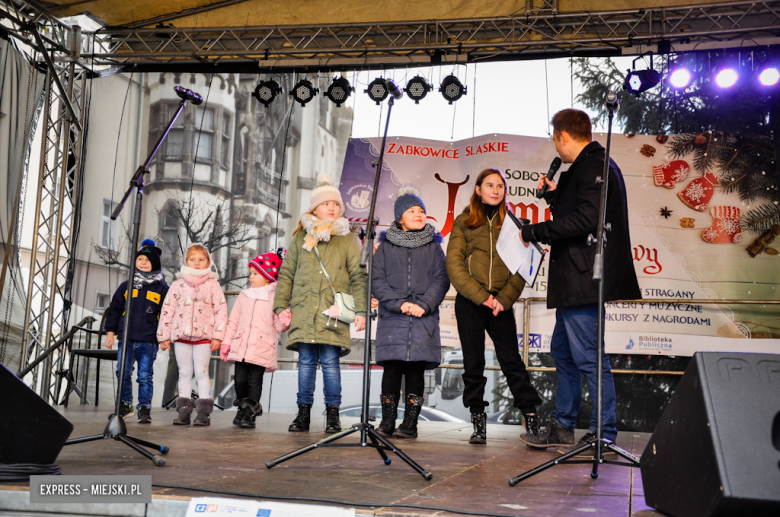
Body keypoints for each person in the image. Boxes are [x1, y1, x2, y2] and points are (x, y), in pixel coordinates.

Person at [518, 109, 641, 452]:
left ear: (562, 136)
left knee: (589, 358)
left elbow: (587, 220)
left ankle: (605, 432)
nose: (556, 147)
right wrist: (555, 196)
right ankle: (562, 426)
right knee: (564, 354)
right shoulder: (590, 166)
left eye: (554, 140)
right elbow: (583, 209)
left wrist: (534, 231)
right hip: (576, 280)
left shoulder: (594, 166)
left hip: (583, 280)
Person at [446, 168, 542, 445]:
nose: (496, 190)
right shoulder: (464, 222)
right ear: (478, 189)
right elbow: (453, 264)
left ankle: (531, 417)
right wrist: (480, 296)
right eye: (490, 185)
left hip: (501, 304)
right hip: (471, 303)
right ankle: (478, 421)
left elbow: (523, 267)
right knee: (473, 363)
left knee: (512, 362)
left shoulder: (514, 223)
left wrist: (503, 299)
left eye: (500, 185)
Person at [274, 174, 367, 434]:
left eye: (336, 205)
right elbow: (287, 274)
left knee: (330, 363)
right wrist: (281, 306)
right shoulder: (300, 237)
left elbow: (358, 276)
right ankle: (303, 413)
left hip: (332, 314)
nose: (332, 208)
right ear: (314, 207)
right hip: (304, 310)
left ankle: (333, 415)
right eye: (326, 204)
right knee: (305, 362)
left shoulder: (348, 239)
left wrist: (360, 310)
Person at [371, 186, 450, 439]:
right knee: (392, 370)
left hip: (422, 319)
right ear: (399, 218)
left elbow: (441, 280)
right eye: (412, 210)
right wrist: (400, 304)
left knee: (416, 371)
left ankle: (410, 424)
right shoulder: (384, 248)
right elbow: (376, 280)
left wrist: (423, 305)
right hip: (393, 318)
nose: (419, 214)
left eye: (421, 211)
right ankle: (387, 421)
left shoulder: (434, 247)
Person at [157, 243, 228, 427]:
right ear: (186, 261)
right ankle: (184, 411)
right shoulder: (178, 284)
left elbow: (221, 310)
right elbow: (168, 310)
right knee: (185, 373)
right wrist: (164, 336)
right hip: (181, 337)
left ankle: (203, 412)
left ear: (208, 262)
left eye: (201, 260)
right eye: (192, 259)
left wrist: (218, 336)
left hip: (204, 337)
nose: (196, 263)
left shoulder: (212, 285)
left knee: (202, 372)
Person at [220, 251, 289, 429]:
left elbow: (278, 325)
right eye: (251, 273)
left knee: (254, 380)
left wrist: (285, 320)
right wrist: (227, 342)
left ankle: (250, 414)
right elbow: (233, 321)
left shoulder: (275, 297)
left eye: (255, 273)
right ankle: (241, 409)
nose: (251, 277)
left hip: (262, 346)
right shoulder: (244, 295)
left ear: (267, 276)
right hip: (241, 345)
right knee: (240, 380)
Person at [104, 239, 168, 423]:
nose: (143, 263)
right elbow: (115, 309)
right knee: (122, 371)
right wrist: (110, 331)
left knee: (145, 376)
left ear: (155, 263)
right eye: (140, 259)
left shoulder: (162, 289)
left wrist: (164, 337)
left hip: (148, 340)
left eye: (147, 260)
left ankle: (144, 408)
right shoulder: (127, 285)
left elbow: (166, 315)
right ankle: (125, 404)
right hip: (127, 338)